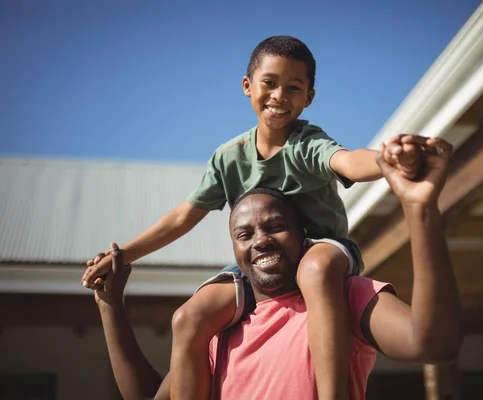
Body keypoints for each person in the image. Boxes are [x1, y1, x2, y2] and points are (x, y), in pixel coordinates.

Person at [82, 36, 423, 400]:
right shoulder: (229, 157)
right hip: (261, 261)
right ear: (248, 86)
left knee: (315, 270)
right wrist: (123, 256)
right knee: (187, 317)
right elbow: (183, 216)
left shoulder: (307, 144)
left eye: (294, 87)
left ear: (309, 97)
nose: (279, 95)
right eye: (270, 83)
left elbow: (349, 161)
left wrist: (387, 161)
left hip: (323, 247)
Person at [93, 137, 462, 400]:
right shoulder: (217, 331)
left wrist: (420, 210)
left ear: (305, 237)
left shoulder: (342, 297)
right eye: (244, 234)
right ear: (234, 249)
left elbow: (434, 344)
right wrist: (110, 306)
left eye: (274, 227)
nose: (260, 241)